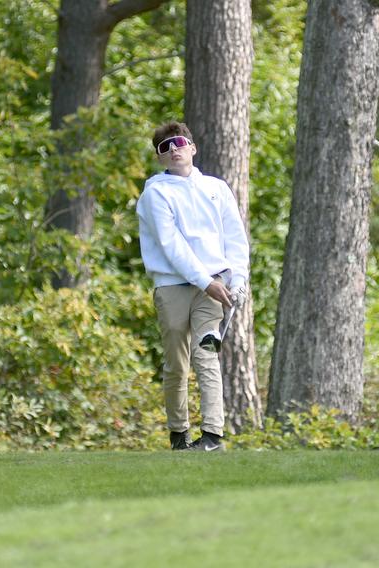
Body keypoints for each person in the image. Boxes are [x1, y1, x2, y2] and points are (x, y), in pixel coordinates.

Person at [136, 121, 250, 452]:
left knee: (206, 355)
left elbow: (235, 238)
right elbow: (173, 247)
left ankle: (213, 436)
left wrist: (237, 280)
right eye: (164, 147)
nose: (173, 149)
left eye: (179, 142)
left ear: (192, 148)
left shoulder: (217, 187)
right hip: (173, 285)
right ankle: (179, 434)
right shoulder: (155, 193)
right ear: (160, 158)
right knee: (177, 363)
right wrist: (207, 283)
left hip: (214, 283)